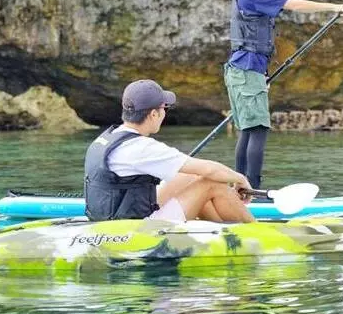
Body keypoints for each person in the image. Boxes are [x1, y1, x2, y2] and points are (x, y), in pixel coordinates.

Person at [225, 0, 343, 189]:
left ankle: (239, 187)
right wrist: (333, 7)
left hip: (242, 70)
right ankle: (251, 189)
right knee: (257, 129)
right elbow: (294, 4)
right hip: (246, 70)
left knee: (248, 130)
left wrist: (261, 75)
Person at [84, 79, 255, 224]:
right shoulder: (142, 148)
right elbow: (210, 170)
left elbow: (196, 170)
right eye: (164, 108)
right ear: (153, 114)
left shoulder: (108, 137)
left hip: (110, 217)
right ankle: (254, 232)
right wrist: (240, 179)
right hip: (136, 229)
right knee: (212, 183)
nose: (165, 113)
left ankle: (219, 228)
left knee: (189, 176)